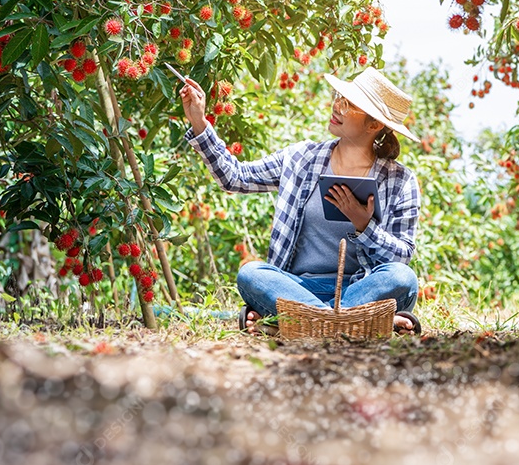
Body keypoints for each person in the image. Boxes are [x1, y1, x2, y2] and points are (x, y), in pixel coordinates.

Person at [179, 67, 423, 335]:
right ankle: (349, 322)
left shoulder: (400, 181)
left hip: (361, 288)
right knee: (251, 273)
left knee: (402, 278)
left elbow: (401, 257)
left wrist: (365, 226)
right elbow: (236, 177)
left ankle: (299, 322)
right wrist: (199, 122)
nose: (337, 107)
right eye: (338, 98)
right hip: (297, 286)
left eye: (348, 104)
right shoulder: (301, 158)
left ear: (374, 125)